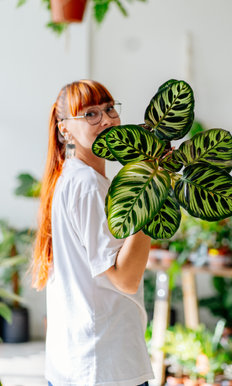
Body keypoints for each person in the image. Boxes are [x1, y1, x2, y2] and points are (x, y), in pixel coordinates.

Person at [32, 80, 155, 386]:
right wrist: (152, 200)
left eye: (110, 108)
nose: (107, 119)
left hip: (82, 362)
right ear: (65, 129)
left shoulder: (73, 179)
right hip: (104, 366)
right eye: (90, 114)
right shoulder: (87, 185)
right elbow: (124, 279)